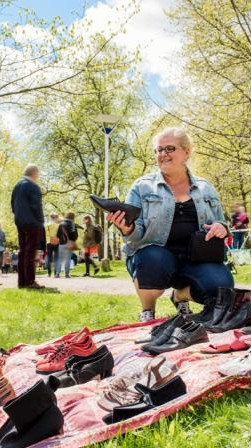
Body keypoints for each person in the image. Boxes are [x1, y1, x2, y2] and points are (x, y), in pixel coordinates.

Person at [106, 127, 233, 322]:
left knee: (221, 289)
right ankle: (147, 310)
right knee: (153, 257)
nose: (163, 154)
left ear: (187, 152)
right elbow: (135, 234)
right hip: (155, 257)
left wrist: (222, 228)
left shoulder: (206, 187)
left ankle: (180, 295)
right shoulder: (141, 186)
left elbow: (221, 222)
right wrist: (126, 228)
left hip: (196, 259)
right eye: (159, 150)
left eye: (170, 148)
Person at [11, 164, 45, 289]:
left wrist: (19, 217)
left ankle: (22, 282)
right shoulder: (33, 186)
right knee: (30, 252)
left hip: (20, 222)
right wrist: (41, 222)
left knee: (22, 252)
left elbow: (13, 205)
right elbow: (37, 206)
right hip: (32, 223)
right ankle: (30, 281)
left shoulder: (17, 186)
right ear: (34, 174)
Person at [57, 212, 78, 278]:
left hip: (61, 244)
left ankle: (57, 274)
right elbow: (75, 235)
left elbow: (57, 235)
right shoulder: (73, 224)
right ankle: (66, 274)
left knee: (60, 259)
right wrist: (73, 240)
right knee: (68, 259)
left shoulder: (61, 224)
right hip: (69, 243)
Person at [44, 213, 60, 277]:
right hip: (56, 241)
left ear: (50, 217)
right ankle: (56, 273)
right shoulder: (58, 225)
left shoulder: (46, 225)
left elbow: (46, 234)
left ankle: (49, 273)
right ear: (55, 218)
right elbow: (59, 234)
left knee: (48, 257)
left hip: (48, 242)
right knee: (56, 257)